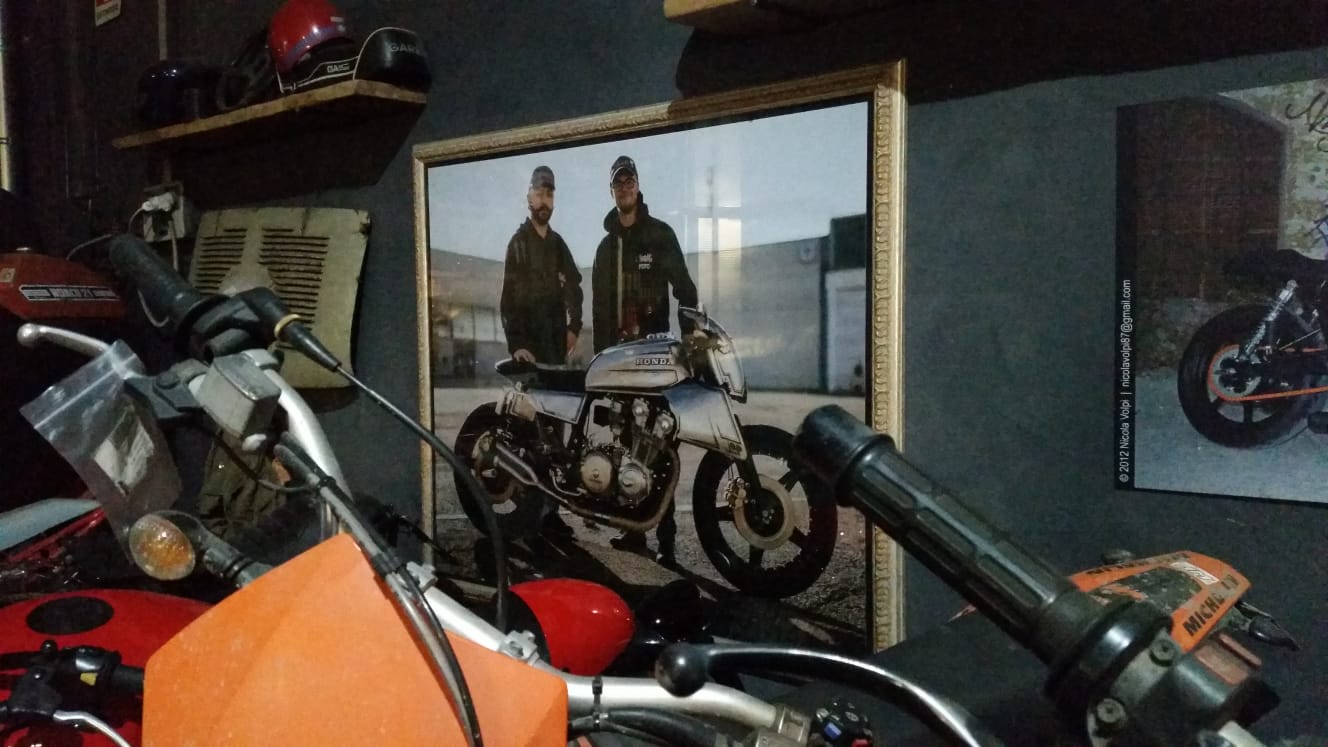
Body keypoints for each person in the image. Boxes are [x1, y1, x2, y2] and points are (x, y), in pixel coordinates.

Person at [591, 155, 698, 566]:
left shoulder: (660, 234)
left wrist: (690, 337)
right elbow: (600, 308)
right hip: (619, 360)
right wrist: (600, 359)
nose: (624, 187)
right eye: (618, 182)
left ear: (638, 185)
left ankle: (667, 539)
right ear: (611, 190)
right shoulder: (606, 248)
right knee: (624, 442)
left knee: (659, 445)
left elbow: (685, 289)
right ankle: (633, 530)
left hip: (655, 358)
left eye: (629, 180)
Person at [499, 165, 584, 365]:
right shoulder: (519, 244)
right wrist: (517, 345)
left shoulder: (558, 244)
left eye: (549, 195)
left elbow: (574, 287)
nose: (544, 201)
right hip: (529, 355)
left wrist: (573, 329)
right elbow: (508, 301)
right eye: (539, 194)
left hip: (556, 352)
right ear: (529, 198)